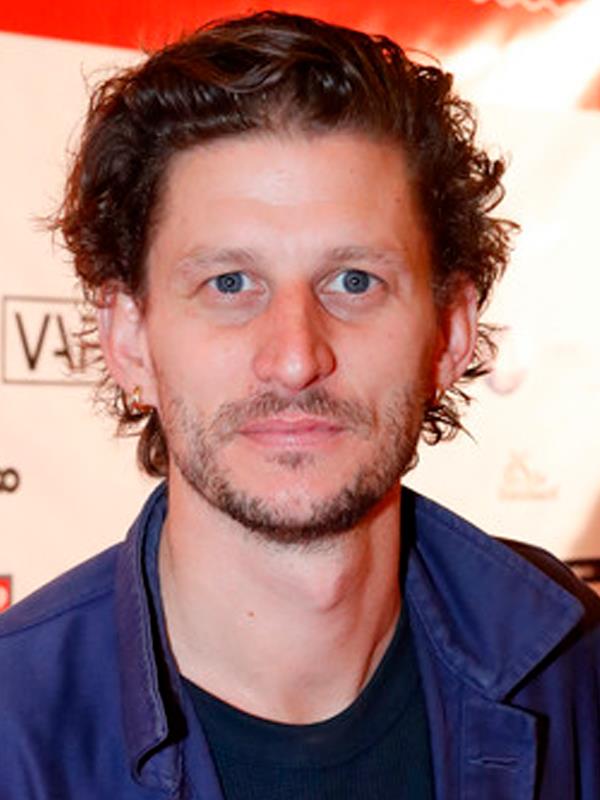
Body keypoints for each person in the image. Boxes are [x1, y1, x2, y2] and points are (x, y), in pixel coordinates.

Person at [1, 10, 598, 799]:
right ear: (128, 338)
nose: (294, 357)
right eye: (229, 283)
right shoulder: (14, 728)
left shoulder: (570, 662)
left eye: (354, 281)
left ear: (450, 334)